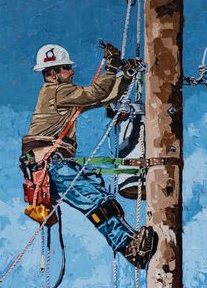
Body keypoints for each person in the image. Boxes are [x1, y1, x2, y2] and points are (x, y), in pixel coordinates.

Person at [21, 43, 157, 269]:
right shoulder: (56, 91)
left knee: (102, 199)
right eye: (66, 68)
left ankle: (128, 242)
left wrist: (124, 77)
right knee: (97, 202)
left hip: (52, 167)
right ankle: (129, 248)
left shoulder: (61, 96)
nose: (72, 72)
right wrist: (113, 67)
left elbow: (101, 98)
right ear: (53, 73)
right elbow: (97, 93)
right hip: (52, 166)